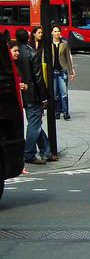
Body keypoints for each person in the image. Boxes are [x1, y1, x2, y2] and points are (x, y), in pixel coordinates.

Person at [15, 29, 54, 165]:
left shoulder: (14, 53)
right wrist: (44, 97)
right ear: (29, 37)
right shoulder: (32, 53)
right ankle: (29, 153)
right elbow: (38, 78)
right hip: (33, 94)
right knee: (34, 124)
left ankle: (46, 151)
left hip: (22, 94)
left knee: (35, 122)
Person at [9, 40, 30, 175]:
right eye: (14, 51)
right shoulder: (8, 68)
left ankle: (19, 165)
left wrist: (20, 85)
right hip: (12, 106)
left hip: (18, 104)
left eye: (17, 51)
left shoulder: (14, 66)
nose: (17, 53)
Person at [51, 25, 76, 120]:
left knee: (64, 93)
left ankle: (65, 112)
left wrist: (71, 71)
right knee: (55, 93)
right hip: (52, 71)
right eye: (55, 31)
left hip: (62, 71)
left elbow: (68, 58)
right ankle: (57, 112)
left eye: (58, 31)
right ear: (52, 33)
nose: (57, 33)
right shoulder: (49, 44)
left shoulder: (64, 44)